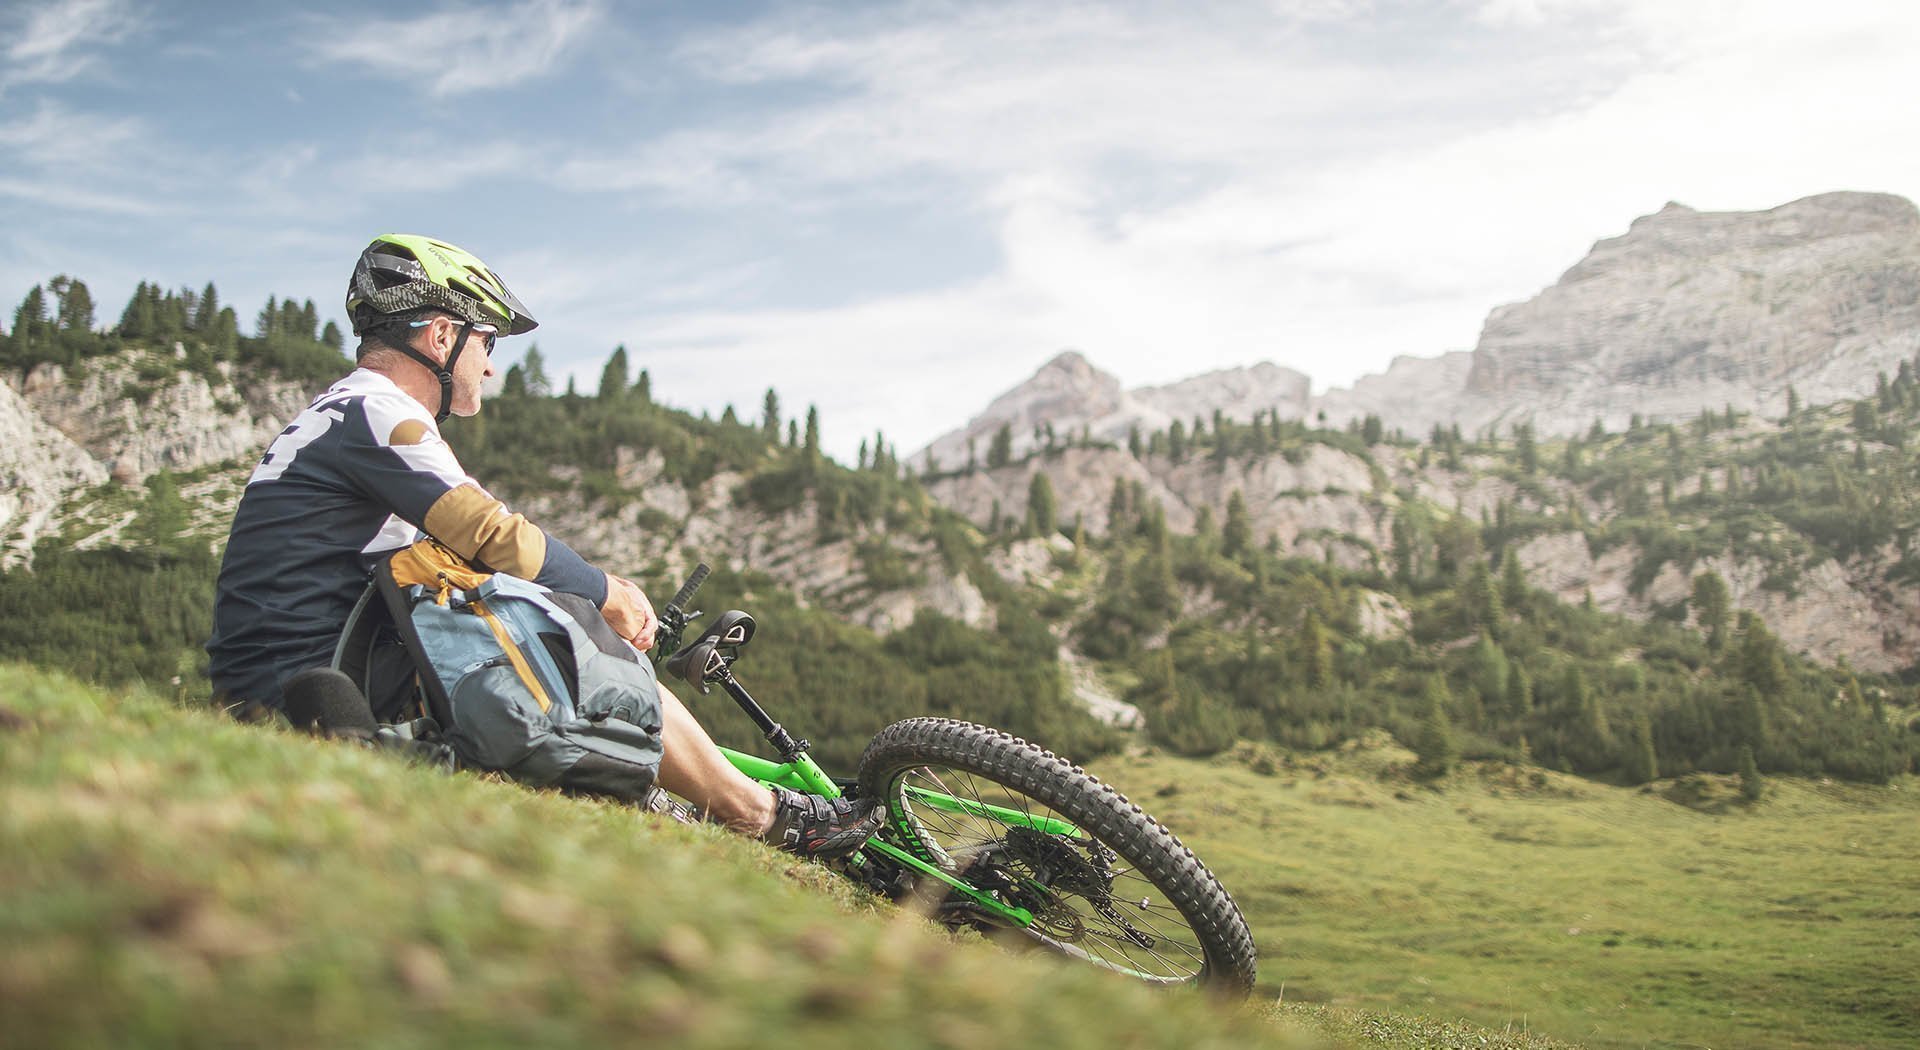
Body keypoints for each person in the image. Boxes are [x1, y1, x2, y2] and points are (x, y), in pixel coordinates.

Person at [206, 233, 878, 858]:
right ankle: (759, 815)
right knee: (584, 641)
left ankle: (661, 792)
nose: (490, 369)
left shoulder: (335, 413)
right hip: (319, 684)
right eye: (487, 344)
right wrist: (605, 592)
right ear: (441, 336)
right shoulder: (379, 412)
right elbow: (492, 534)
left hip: (286, 681)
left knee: (531, 624)